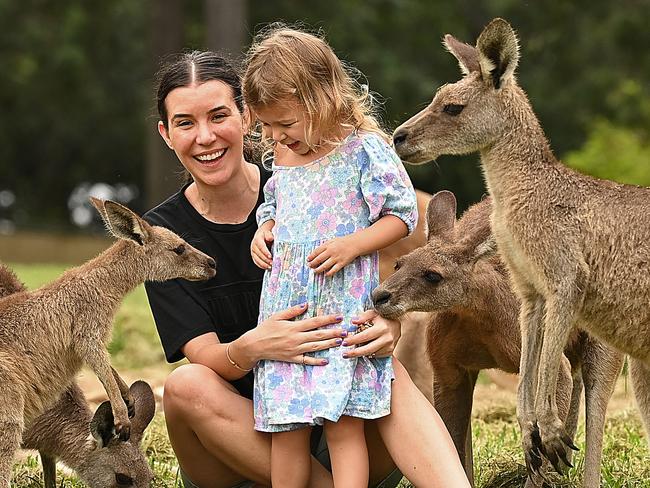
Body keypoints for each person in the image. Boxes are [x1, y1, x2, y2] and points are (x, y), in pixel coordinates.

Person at [144, 49, 471, 488]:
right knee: (186, 385)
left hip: (340, 420)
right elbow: (204, 356)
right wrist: (256, 346)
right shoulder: (162, 236)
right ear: (166, 134)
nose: (205, 137)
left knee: (388, 373)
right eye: (185, 123)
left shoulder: (316, 174)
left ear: (247, 115)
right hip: (239, 444)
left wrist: (387, 325)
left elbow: (407, 263)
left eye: (219, 115)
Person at [243, 26, 419, 488]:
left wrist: (352, 244)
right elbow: (275, 205)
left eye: (285, 123)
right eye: (267, 126)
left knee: (344, 427)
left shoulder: (363, 149)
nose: (276, 136)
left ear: (321, 97)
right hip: (286, 316)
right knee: (287, 430)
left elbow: (402, 216)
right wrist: (265, 230)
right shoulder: (283, 156)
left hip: (341, 312)